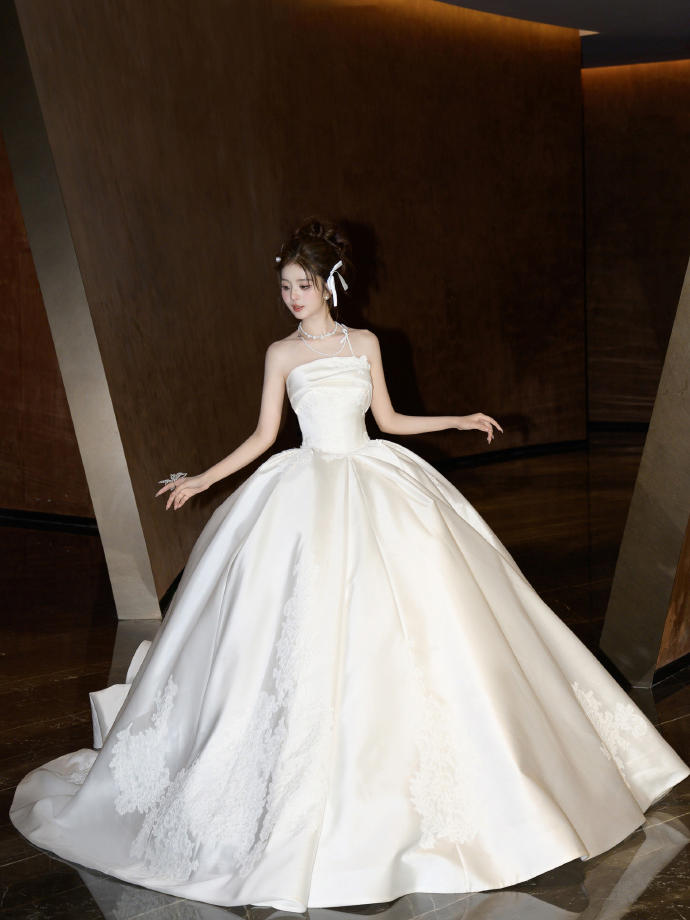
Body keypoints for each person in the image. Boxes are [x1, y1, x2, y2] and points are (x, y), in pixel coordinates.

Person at [9, 217, 690, 912]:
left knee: (425, 619)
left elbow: (388, 421)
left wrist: (455, 420)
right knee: (295, 632)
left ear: (330, 284)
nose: (292, 298)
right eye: (285, 287)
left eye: (303, 286)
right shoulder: (280, 354)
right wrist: (202, 479)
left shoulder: (364, 343)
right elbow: (265, 436)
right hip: (305, 490)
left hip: (373, 479)